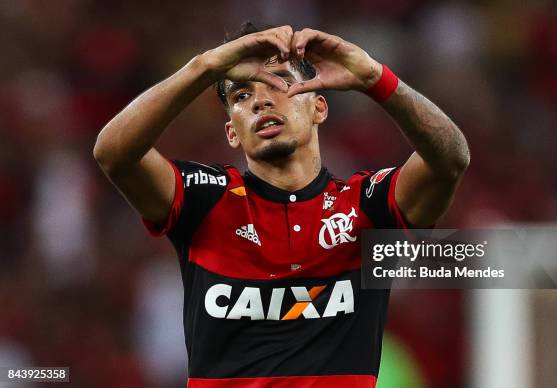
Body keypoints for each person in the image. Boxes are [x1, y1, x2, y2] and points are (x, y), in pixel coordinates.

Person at [93, 21, 469, 388]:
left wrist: (376, 79)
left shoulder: (366, 205)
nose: (261, 100)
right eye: (241, 95)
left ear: (319, 108)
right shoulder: (203, 200)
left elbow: (451, 159)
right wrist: (204, 66)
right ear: (232, 133)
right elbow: (113, 154)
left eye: (283, 82)